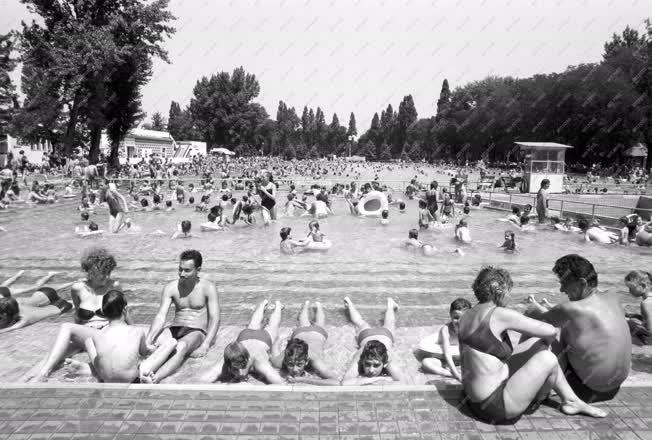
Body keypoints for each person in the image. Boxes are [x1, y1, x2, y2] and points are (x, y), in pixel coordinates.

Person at [459, 266, 606, 425]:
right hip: (496, 407)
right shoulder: (499, 314)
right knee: (547, 357)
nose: (510, 297)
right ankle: (559, 398)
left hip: (472, 401)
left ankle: (569, 399)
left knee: (535, 343)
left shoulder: (468, 314)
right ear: (498, 290)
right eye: (509, 291)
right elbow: (550, 330)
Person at [525, 255, 631, 403]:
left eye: (564, 283)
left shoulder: (570, 309)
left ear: (582, 282)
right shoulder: (613, 296)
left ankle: (525, 382)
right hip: (614, 389)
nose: (561, 289)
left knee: (535, 325)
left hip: (585, 390)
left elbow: (538, 323)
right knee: (568, 328)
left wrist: (532, 310)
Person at [142, 250, 220, 383]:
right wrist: (149, 339)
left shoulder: (208, 288)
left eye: (187, 270)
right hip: (175, 328)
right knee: (154, 344)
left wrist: (206, 344)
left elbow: (215, 318)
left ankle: (156, 378)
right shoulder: (171, 287)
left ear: (198, 270)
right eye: (180, 269)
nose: (182, 274)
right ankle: (141, 371)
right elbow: (161, 316)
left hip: (196, 331)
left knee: (182, 346)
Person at [62, 291, 167, 383]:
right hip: (130, 379)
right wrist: (153, 348)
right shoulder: (137, 331)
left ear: (103, 312)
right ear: (125, 309)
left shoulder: (98, 333)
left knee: (89, 341)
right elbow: (144, 353)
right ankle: (145, 374)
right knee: (171, 342)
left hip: (105, 378)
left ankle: (89, 369)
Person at [201, 300, 285, 384]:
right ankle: (263, 305)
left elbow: (279, 382)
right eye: (235, 369)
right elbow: (202, 381)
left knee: (272, 326)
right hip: (245, 337)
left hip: (263, 338)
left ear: (248, 359)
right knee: (253, 324)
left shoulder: (259, 360)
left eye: (242, 367)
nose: (240, 373)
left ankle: (277, 306)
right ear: (229, 365)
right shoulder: (227, 361)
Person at [270, 301, 339, 385]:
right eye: (291, 364)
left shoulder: (314, 359)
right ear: (285, 361)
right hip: (305, 333)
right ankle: (316, 305)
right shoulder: (279, 361)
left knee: (309, 321)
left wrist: (303, 380)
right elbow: (274, 348)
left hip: (316, 333)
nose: (295, 369)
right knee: (315, 321)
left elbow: (336, 382)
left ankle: (310, 305)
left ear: (306, 361)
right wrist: (278, 339)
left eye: (299, 364)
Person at [341, 297, 405, 385]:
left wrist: (363, 380)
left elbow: (404, 383)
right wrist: (378, 379)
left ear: (385, 363)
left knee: (360, 323)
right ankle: (390, 305)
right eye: (367, 364)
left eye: (376, 365)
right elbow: (345, 383)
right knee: (389, 323)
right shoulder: (360, 356)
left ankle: (350, 305)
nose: (371, 370)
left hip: (379, 335)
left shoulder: (389, 359)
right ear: (363, 360)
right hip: (374, 336)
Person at [0, 272, 73, 333]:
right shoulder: (14, 304)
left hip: (61, 307)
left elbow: (10, 329)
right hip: (43, 296)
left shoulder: (25, 318)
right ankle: (73, 284)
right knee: (61, 290)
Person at [418, 298, 471, 382]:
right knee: (426, 363)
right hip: (444, 360)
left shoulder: (470, 329)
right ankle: (450, 373)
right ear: (450, 315)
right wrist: (457, 375)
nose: (459, 321)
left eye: (463, 318)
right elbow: (447, 354)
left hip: (460, 359)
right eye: (456, 317)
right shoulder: (445, 330)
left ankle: (455, 369)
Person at [624, 270, 651, 345]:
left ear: (643, 286)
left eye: (631, 288)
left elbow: (650, 331)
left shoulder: (646, 303)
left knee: (626, 323)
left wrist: (635, 327)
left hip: (648, 341)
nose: (629, 291)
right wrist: (637, 316)